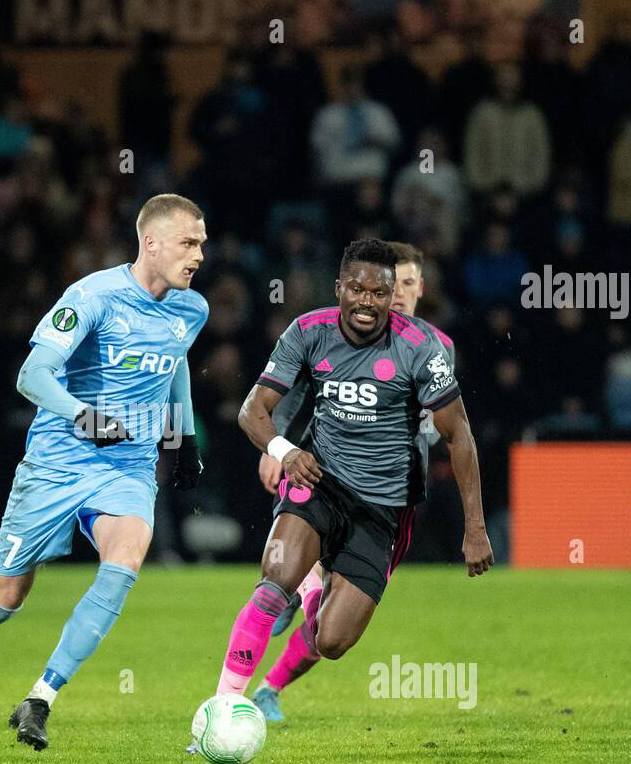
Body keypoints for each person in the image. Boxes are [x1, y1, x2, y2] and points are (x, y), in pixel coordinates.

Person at [0, 194, 209, 756]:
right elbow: (33, 375)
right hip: (56, 462)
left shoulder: (191, 309)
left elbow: (176, 360)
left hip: (127, 465)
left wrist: (185, 434)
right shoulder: (91, 296)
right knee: (3, 599)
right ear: (151, 242)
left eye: (201, 244)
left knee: (125, 560)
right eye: (188, 243)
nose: (198, 255)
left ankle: (40, 698)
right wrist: (84, 415)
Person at [207, 238, 491, 712]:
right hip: (318, 482)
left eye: (381, 292)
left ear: (407, 291)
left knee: (332, 640)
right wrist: (282, 448)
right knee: (272, 583)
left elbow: (459, 434)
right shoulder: (308, 331)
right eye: (358, 289)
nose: (370, 301)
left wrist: (475, 528)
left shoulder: (425, 347)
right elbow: (256, 407)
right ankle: (219, 709)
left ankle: (312, 598)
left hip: (384, 507)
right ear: (339, 287)